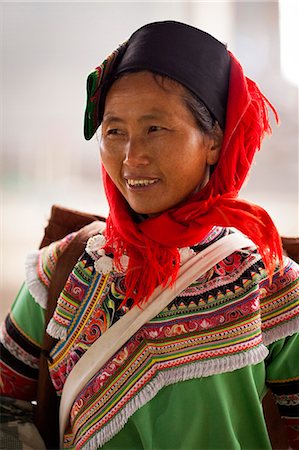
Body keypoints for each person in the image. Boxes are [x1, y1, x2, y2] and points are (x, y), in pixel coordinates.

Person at [1, 20, 298, 450]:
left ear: (213, 140)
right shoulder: (61, 272)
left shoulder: (268, 283)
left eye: (155, 128)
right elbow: (6, 403)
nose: (131, 157)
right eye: (114, 131)